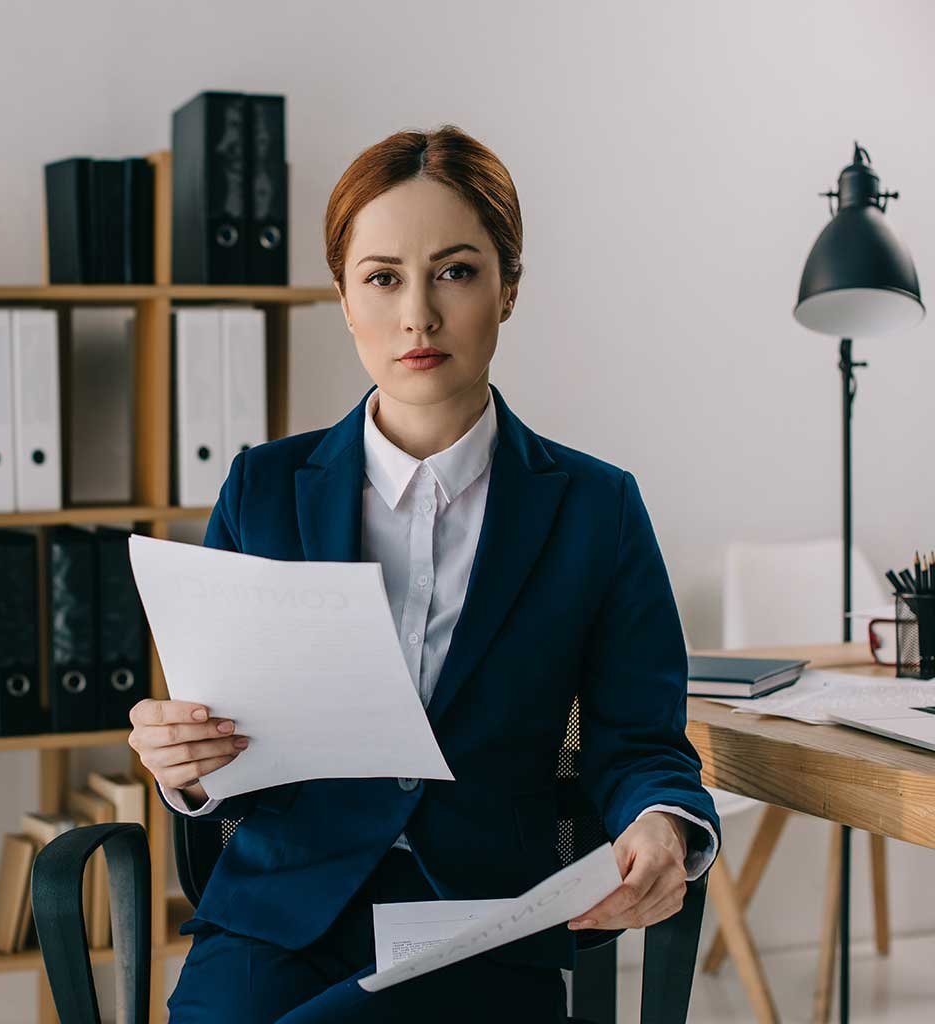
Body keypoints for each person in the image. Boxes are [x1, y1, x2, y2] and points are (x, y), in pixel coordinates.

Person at [129, 124, 720, 1023]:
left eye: (455, 272)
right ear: (343, 297)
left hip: (482, 923)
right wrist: (185, 767)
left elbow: (643, 741)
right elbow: (222, 736)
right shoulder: (264, 487)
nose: (417, 316)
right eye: (382, 278)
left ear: (508, 286)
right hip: (279, 918)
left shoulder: (597, 509)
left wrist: (663, 824)